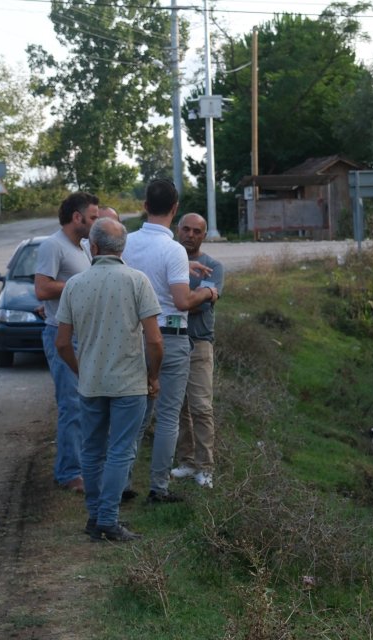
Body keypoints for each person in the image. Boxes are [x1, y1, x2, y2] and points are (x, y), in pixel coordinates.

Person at [55, 218, 163, 542]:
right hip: (129, 383)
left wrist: (80, 369)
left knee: (91, 450)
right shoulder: (137, 281)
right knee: (120, 451)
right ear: (123, 248)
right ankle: (108, 520)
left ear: (94, 246)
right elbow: (155, 341)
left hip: (91, 382)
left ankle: (94, 516)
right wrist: (153, 375)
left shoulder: (75, 284)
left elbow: (61, 343)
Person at [122, 179, 218, 503]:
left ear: (145, 205)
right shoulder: (173, 250)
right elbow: (181, 300)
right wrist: (207, 291)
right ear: (175, 210)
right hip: (170, 336)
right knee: (168, 417)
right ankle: (158, 487)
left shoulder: (127, 243)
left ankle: (122, 481)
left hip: (134, 336)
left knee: (135, 413)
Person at [36, 192, 101, 493]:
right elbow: (42, 288)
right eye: (93, 217)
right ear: (77, 217)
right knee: (71, 404)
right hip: (61, 334)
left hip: (84, 334)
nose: (96, 223)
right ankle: (68, 473)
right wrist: (82, 284)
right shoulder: (53, 245)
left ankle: (81, 465)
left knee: (85, 402)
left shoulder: (84, 246)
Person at [170, 213, 223, 489]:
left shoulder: (213, 266)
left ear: (204, 235)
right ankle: (186, 462)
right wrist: (185, 299)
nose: (190, 234)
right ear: (178, 230)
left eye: (197, 231)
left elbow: (198, 305)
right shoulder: (170, 259)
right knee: (180, 408)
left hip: (199, 342)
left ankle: (206, 467)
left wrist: (176, 302)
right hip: (171, 339)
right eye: (186, 229)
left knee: (201, 406)